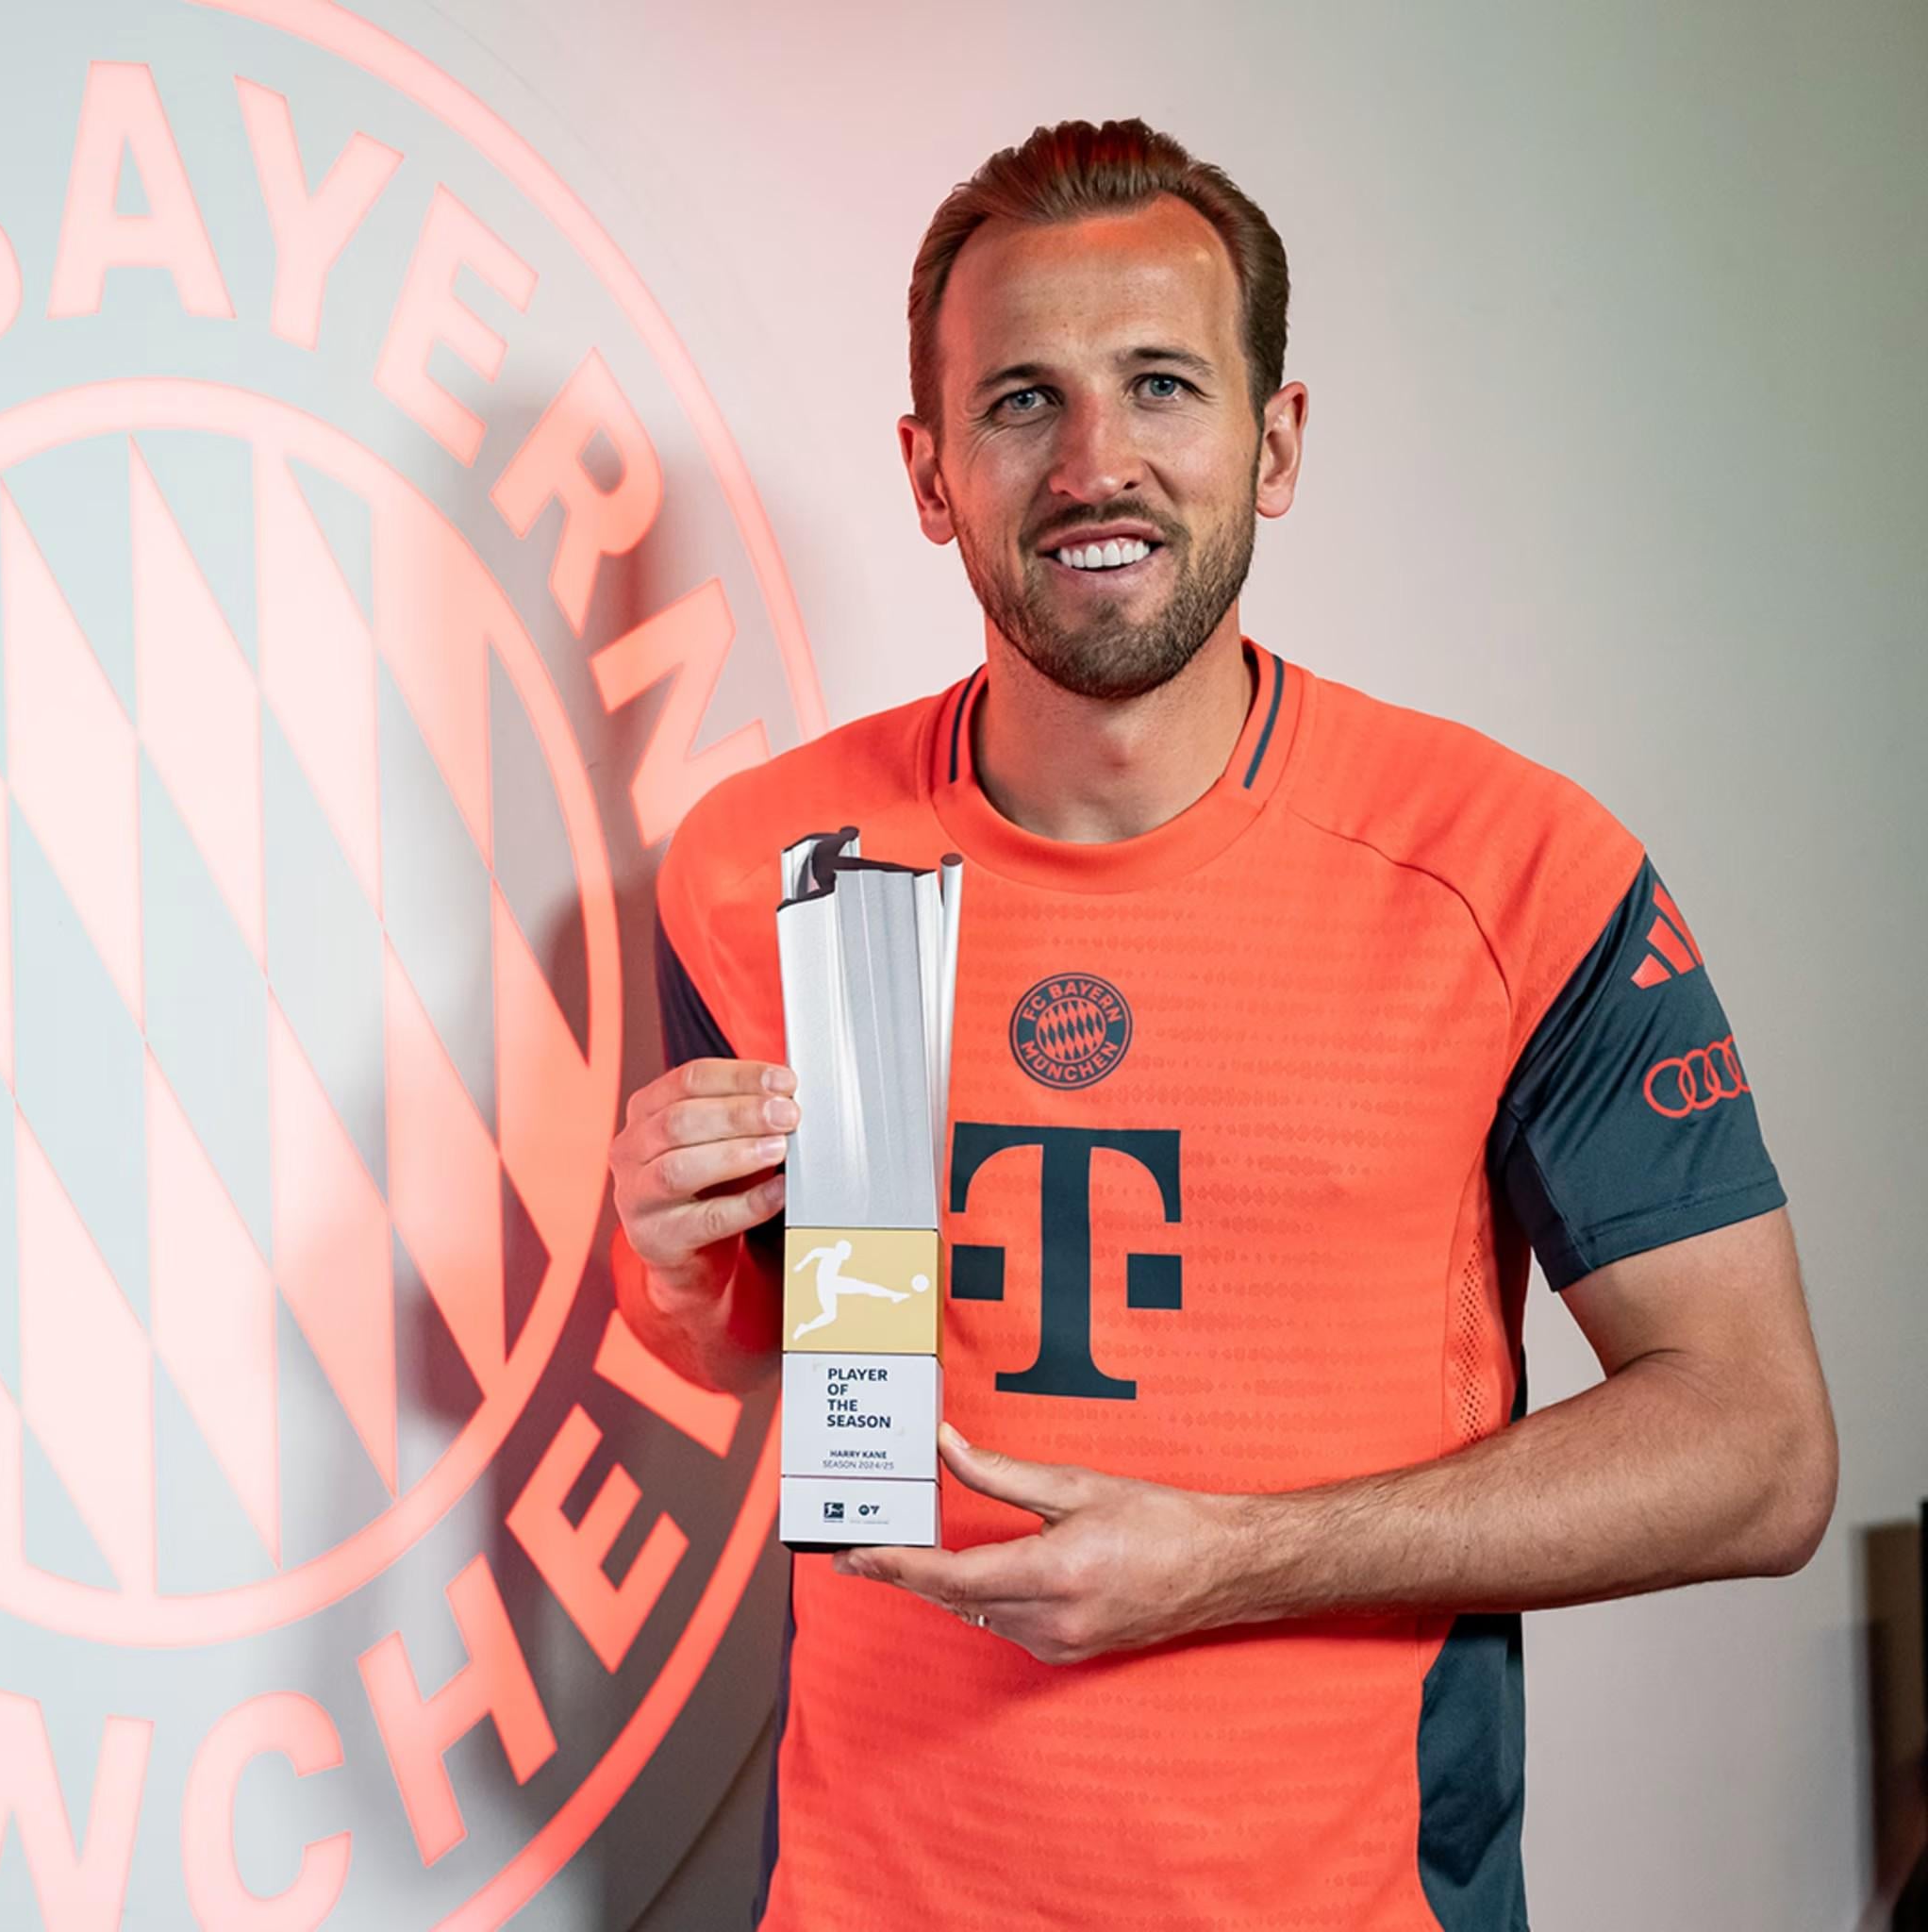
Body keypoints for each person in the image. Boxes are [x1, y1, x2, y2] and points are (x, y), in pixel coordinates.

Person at [607, 117, 1837, 1932]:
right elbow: (766, 1349)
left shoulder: (1517, 871)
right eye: (1020, 401)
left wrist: (1242, 1561)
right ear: (930, 471)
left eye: (1162, 385)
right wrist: (669, 1254)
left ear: (1274, 444)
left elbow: (1760, 1453)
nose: (1095, 463)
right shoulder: (757, 863)